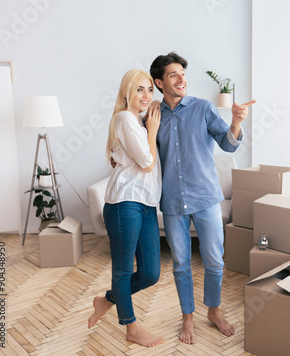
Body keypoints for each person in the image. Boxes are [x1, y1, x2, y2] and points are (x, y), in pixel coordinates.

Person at [149, 51, 255, 344]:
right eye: (173, 74)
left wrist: (235, 121)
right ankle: (187, 317)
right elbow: (146, 154)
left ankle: (214, 310)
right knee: (181, 263)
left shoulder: (204, 108)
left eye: (183, 73)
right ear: (159, 82)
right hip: (172, 201)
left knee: (214, 260)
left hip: (206, 196)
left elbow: (229, 144)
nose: (182, 78)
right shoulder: (153, 116)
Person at [87, 69, 164, 348]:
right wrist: (152, 132)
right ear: (127, 93)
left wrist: (151, 126)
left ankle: (106, 299)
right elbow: (146, 163)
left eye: (149, 90)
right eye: (140, 89)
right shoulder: (125, 119)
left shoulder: (141, 123)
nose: (146, 96)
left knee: (150, 273)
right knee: (122, 270)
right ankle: (130, 328)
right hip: (124, 204)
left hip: (145, 205)